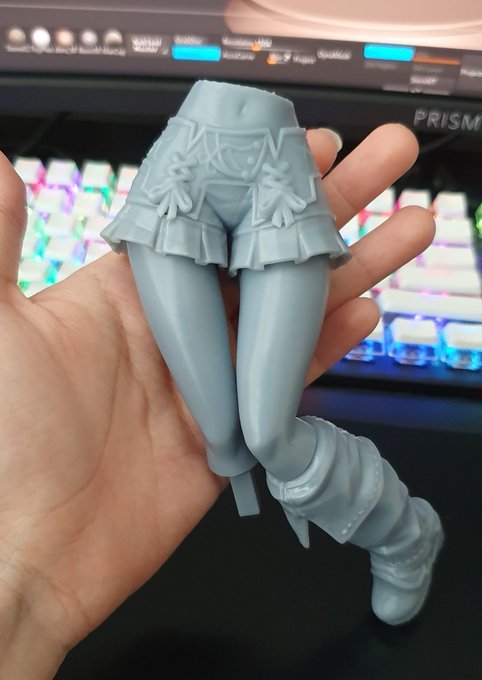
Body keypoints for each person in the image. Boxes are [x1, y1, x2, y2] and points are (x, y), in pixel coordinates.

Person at [0, 121, 435, 679]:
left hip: (275, 163)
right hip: (183, 165)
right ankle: (403, 533)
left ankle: (406, 535)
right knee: (222, 437)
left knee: (269, 435)